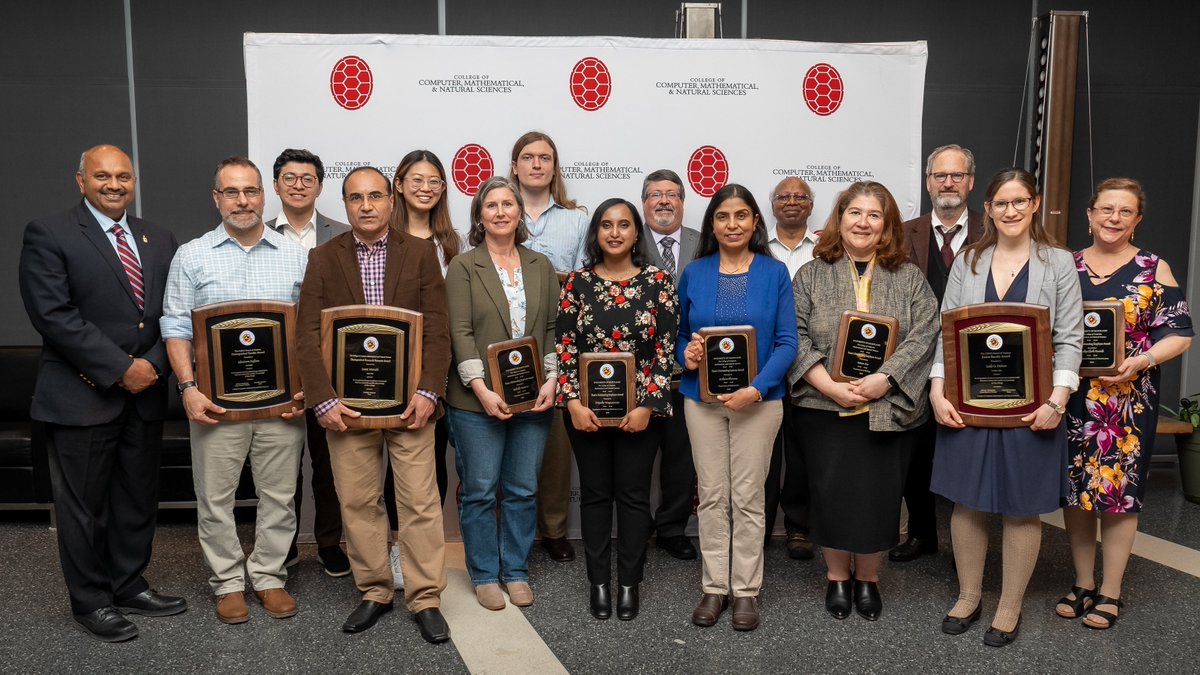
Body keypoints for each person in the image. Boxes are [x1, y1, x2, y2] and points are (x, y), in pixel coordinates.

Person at [18, 145, 185, 642]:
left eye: (124, 177)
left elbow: (174, 312)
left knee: (136, 500)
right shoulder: (50, 234)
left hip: (147, 392)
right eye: (103, 176)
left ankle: (129, 583)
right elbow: (53, 315)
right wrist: (119, 369)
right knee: (83, 506)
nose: (114, 185)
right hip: (82, 395)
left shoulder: (159, 238)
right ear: (81, 180)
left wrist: (152, 366)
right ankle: (91, 600)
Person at [293, 166, 452, 642]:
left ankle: (424, 597)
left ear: (390, 201)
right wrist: (321, 401)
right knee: (359, 501)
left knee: (420, 503)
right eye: (355, 197)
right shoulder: (323, 257)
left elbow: (438, 329)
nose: (366, 205)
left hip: (411, 406)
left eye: (375, 196)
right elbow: (306, 334)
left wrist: (429, 392)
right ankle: (375, 590)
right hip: (346, 407)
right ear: (345, 204)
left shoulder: (421, 254)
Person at [929, 167, 1083, 647]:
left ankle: (1009, 604)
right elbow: (945, 330)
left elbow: (1070, 337)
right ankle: (969, 595)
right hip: (967, 405)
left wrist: (1057, 401)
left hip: (1033, 408)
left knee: (1021, 508)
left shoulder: (1057, 262)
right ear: (988, 209)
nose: (1011, 211)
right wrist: (937, 389)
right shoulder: (969, 261)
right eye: (1002, 203)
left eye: (1020, 202)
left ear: (1034, 205)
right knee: (967, 502)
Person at [161, 157, 308, 625]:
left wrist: (303, 388)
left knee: (280, 496)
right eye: (231, 192)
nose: (242, 201)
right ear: (216, 198)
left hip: (281, 403)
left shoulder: (296, 254)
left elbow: (309, 331)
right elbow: (176, 327)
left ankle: (268, 577)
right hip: (216, 403)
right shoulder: (192, 254)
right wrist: (187, 386)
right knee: (215, 497)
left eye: (250, 191)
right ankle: (227, 582)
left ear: (265, 196)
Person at [789, 182, 939, 622]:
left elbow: (925, 333)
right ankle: (837, 577)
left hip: (886, 406)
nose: (863, 222)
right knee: (830, 493)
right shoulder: (811, 273)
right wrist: (828, 385)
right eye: (855, 212)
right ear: (840, 218)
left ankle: (869, 579)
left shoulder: (909, 276)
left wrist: (886, 379)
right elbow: (793, 333)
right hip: (824, 407)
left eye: (874, 215)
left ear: (887, 225)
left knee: (880, 496)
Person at [1057, 178, 1192, 629]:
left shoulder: (1155, 268)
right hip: (1071, 398)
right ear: (1089, 214)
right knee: (1076, 493)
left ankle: (1110, 591)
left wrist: (1143, 360)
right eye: (1106, 209)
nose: (1114, 218)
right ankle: (1082, 583)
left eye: (1125, 212)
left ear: (1137, 220)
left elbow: (1180, 333)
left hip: (1126, 403)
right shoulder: (1064, 265)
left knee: (1118, 496)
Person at [678, 184, 797, 632]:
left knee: (748, 498)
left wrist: (758, 388)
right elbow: (679, 337)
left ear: (754, 223)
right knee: (711, 496)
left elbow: (788, 343)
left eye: (742, 216)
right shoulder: (694, 272)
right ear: (712, 223)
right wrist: (684, 356)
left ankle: (745, 591)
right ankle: (714, 587)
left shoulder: (774, 273)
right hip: (702, 402)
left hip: (759, 404)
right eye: (724, 216)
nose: (733, 225)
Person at [556, 198, 679, 621]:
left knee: (631, 496)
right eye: (606, 225)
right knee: (593, 496)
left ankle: (628, 582)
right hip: (584, 413)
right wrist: (571, 401)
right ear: (596, 233)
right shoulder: (576, 284)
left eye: (623, 225)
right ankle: (599, 583)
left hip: (641, 415)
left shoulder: (659, 283)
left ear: (635, 232)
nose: (614, 232)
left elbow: (664, 353)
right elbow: (565, 348)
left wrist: (646, 405)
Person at [445, 176, 560, 610]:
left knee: (523, 489)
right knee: (478, 489)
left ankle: (515, 570)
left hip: (533, 397)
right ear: (479, 215)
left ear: (519, 212)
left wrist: (551, 379)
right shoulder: (463, 265)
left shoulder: (540, 265)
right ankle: (485, 574)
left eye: (507, 204)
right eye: (490, 205)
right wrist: (481, 389)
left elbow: (550, 328)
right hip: (476, 400)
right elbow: (459, 331)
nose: (499, 211)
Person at [893, 144, 984, 563]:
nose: (948, 182)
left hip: (975, 359)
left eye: (957, 175)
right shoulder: (902, 231)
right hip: (913, 357)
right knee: (915, 450)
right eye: (940, 176)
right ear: (928, 183)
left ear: (970, 181)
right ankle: (924, 535)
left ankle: (975, 543)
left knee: (969, 446)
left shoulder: (994, 230)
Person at [265, 147, 351, 578]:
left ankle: (330, 543)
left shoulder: (343, 235)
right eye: (289, 177)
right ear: (276, 184)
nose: (298, 184)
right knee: (280, 463)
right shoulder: (254, 233)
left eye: (307, 178)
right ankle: (283, 546)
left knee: (329, 459)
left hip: (328, 365)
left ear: (320, 185)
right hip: (275, 364)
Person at [380, 149, 464, 589]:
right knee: (401, 466)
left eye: (434, 181)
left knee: (437, 462)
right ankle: (397, 549)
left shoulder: (454, 243)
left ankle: (430, 556)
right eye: (416, 179)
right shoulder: (382, 238)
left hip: (447, 366)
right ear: (398, 183)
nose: (426, 188)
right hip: (400, 369)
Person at [508, 131, 588, 563]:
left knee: (555, 443)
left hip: (556, 335)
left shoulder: (577, 220)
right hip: (504, 338)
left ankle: (554, 529)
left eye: (545, 158)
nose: (537, 164)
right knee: (505, 433)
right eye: (528, 157)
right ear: (515, 165)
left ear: (554, 167)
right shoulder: (499, 210)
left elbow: (578, 285)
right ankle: (507, 529)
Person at [640, 169, 700, 561]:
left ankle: (672, 528)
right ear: (644, 202)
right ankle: (635, 525)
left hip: (690, 372)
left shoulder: (702, 241)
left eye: (672, 194)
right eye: (655, 194)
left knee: (681, 458)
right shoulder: (626, 236)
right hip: (639, 371)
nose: (664, 201)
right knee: (637, 455)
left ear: (682, 201)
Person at [764, 175, 820, 559]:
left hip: (809, 367)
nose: (792, 201)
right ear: (772, 206)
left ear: (811, 205)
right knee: (762, 455)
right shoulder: (757, 248)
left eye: (800, 196)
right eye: (784, 196)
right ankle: (761, 526)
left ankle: (799, 528)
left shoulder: (826, 250)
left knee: (801, 455)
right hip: (761, 366)